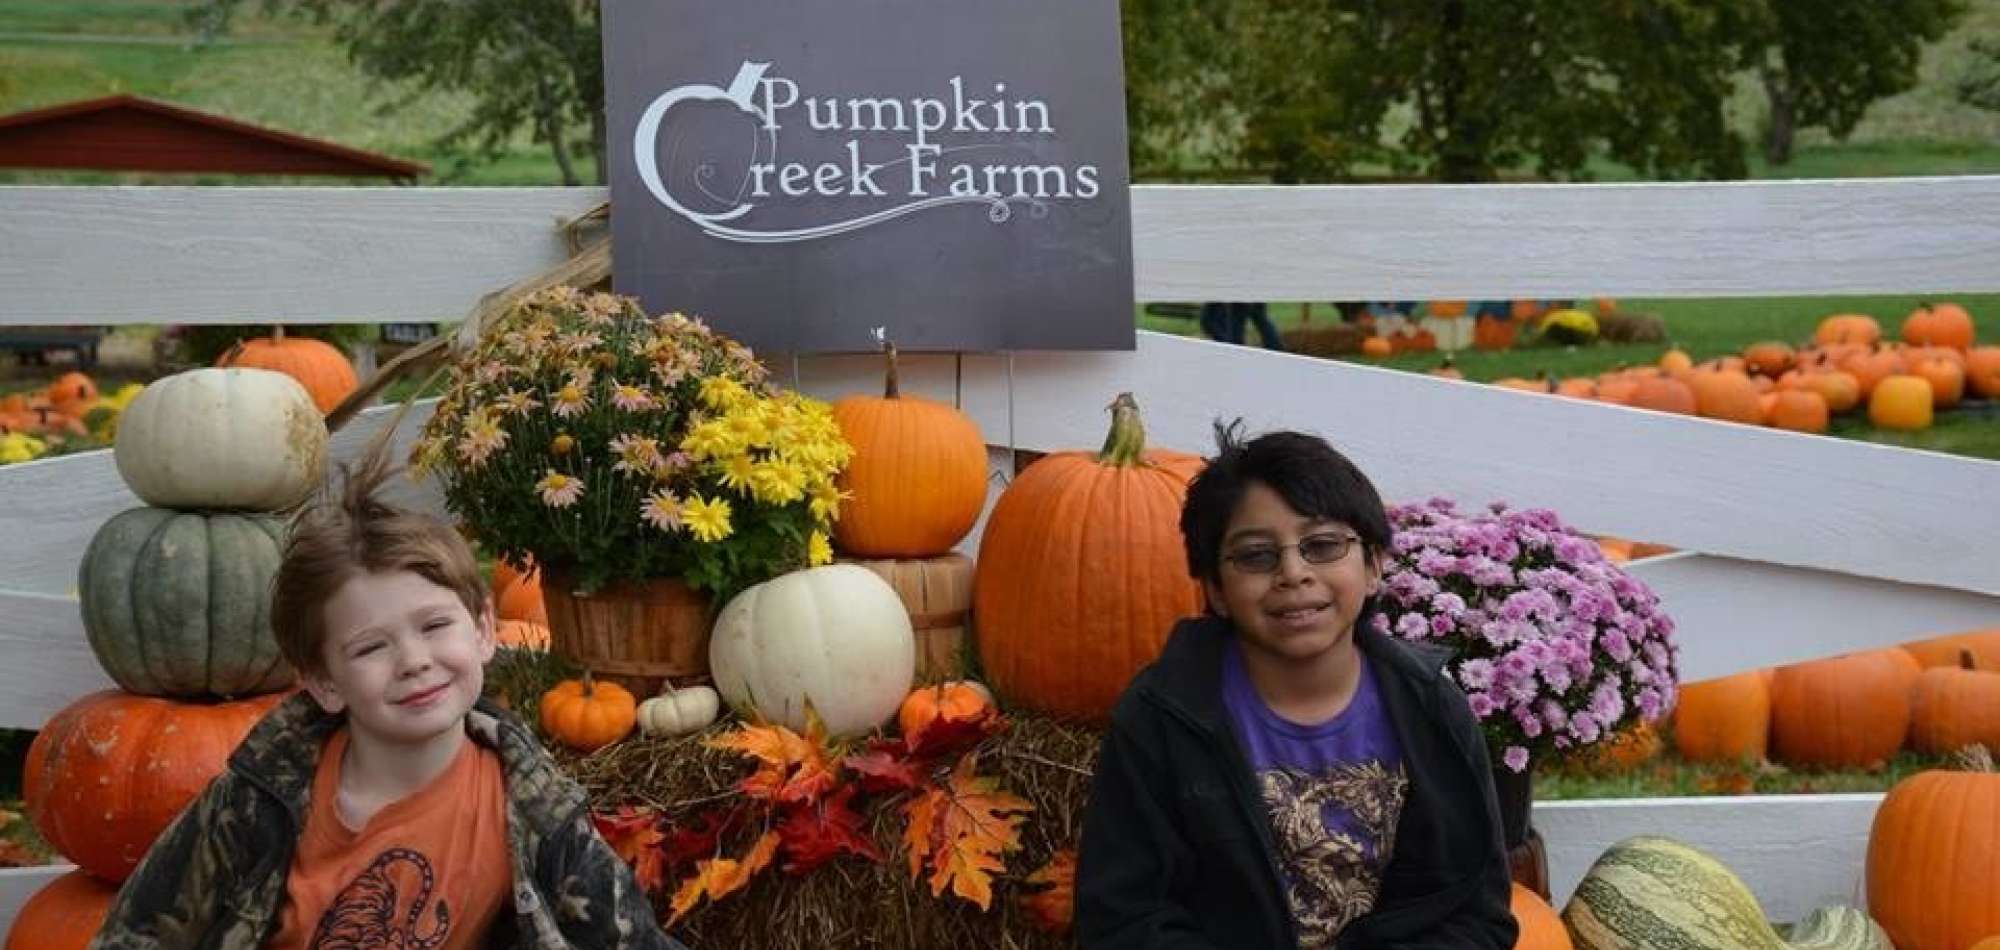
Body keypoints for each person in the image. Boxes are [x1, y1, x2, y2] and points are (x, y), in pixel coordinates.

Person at [92, 448, 681, 949]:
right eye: (372, 647)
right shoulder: (257, 799)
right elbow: (137, 933)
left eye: (435, 626)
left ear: (483, 629)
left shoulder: (532, 809)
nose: (414, 660)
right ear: (324, 681)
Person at [1075, 424, 1515, 949]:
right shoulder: (1161, 718)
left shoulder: (1434, 711)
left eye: (1322, 545)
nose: (1292, 573)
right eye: (1256, 556)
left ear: (1374, 565)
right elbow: (1122, 921)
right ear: (1215, 589)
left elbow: (1478, 914)